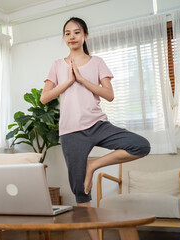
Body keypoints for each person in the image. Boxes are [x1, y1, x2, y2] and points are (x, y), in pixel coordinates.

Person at [40, 17, 151, 240]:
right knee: (81, 191)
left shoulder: (97, 62)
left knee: (141, 145)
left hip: (97, 124)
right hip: (71, 131)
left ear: (85, 36)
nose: (72, 36)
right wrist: (68, 82)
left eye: (77, 32)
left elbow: (109, 95)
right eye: (68, 33)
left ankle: (94, 164)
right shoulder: (57, 65)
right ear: (64, 38)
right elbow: (44, 98)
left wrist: (81, 79)